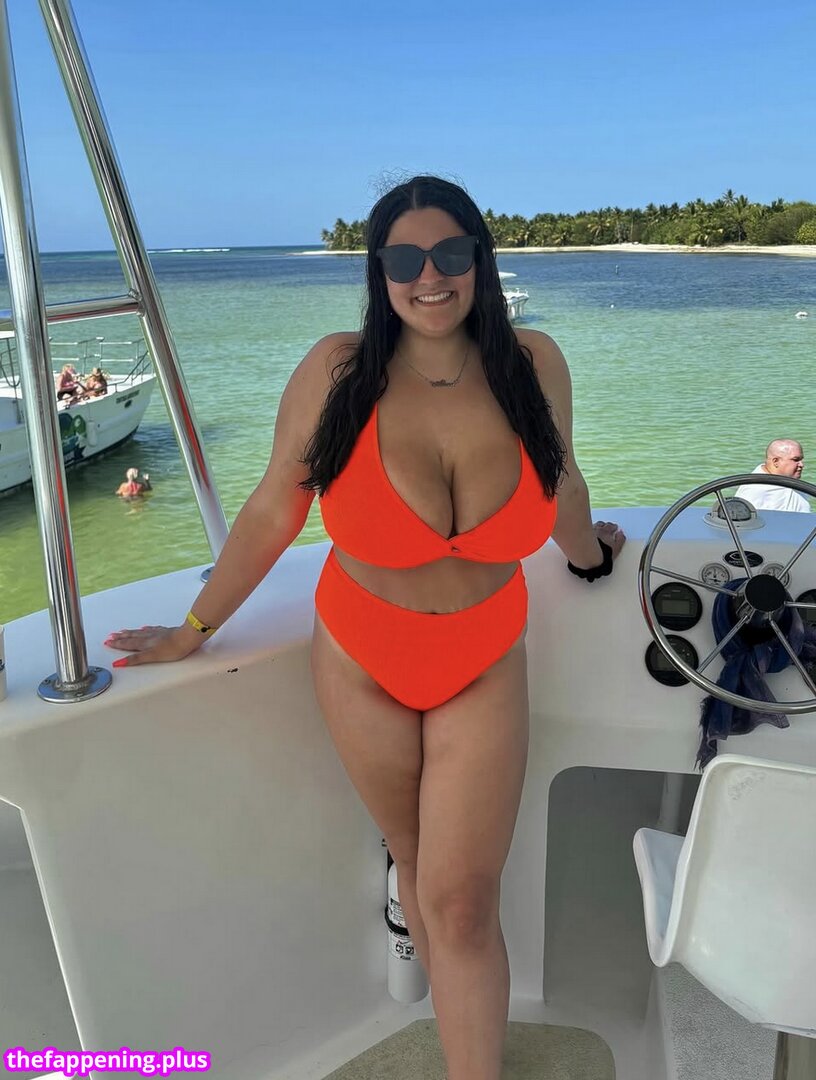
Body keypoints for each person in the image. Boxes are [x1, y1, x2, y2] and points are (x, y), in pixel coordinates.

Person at [104, 176, 625, 1080]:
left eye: (451, 253)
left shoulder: (534, 363)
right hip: (362, 656)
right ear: (378, 272)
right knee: (419, 862)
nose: (430, 277)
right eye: (404, 259)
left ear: (480, 260)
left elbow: (562, 481)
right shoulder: (339, 370)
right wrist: (193, 627)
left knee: (461, 903)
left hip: (483, 656)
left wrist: (588, 557)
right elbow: (274, 508)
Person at [734, 439, 809, 512]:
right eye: (795, 460)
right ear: (776, 461)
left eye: (801, 460)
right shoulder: (754, 490)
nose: (801, 465)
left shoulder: (795, 484)